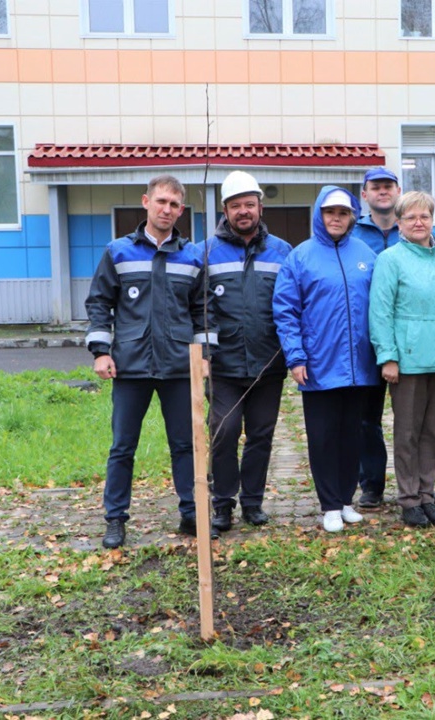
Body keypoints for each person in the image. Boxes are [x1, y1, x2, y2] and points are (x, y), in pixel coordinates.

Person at [85, 175, 216, 549]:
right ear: (146, 201)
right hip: (130, 366)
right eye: (161, 201)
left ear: (181, 210)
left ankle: (192, 515)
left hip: (178, 367)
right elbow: (99, 303)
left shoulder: (192, 256)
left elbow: (204, 310)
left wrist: (204, 356)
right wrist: (101, 351)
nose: (167, 209)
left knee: (185, 446)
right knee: (122, 447)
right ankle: (115, 520)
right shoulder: (118, 252)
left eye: (175, 204)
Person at [272, 186, 380, 533]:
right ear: (319, 214)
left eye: (344, 213)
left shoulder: (365, 253)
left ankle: (347, 500)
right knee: (323, 437)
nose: (337, 218)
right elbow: (286, 311)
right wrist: (296, 356)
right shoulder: (300, 257)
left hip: (360, 364)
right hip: (319, 363)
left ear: (353, 217)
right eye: (330, 212)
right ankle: (329, 504)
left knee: (353, 434)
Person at [197, 170, 292, 532]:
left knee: (260, 435)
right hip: (223, 366)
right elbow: (197, 306)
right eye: (235, 206)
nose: (243, 212)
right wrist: (203, 354)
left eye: (249, 205)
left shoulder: (283, 251)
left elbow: (293, 305)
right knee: (224, 432)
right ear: (225, 210)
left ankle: (252, 503)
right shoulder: (204, 252)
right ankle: (222, 504)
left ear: (260, 207)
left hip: (269, 363)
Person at [368, 191, 435, 528]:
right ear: (399, 224)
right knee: (407, 433)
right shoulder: (390, 259)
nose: (419, 223)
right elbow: (380, 312)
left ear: (433, 219)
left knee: (434, 433)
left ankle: (427, 494)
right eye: (411, 218)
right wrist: (388, 357)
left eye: (425, 216)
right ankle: (408, 499)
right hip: (407, 361)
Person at [351, 167, 402, 509]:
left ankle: (416, 482)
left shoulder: (416, 229)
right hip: (365, 343)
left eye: (388, 186)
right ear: (364, 195)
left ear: (398, 192)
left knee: (412, 419)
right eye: (375, 187)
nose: (382, 192)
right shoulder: (353, 236)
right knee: (366, 419)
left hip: (410, 342)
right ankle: (372, 485)